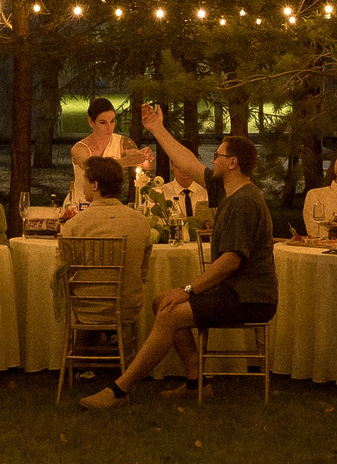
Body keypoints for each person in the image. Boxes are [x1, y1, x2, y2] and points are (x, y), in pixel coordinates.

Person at [80, 134, 275, 409]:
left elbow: (231, 261)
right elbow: (188, 162)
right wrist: (157, 128)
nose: (212, 161)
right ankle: (197, 383)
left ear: (232, 163)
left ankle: (120, 389)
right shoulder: (226, 191)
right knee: (161, 301)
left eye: (217, 156)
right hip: (234, 292)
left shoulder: (244, 201)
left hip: (250, 298)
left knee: (169, 314)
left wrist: (188, 291)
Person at [61, 154, 153, 343]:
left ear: (95, 185)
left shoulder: (75, 225)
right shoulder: (141, 222)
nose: (83, 186)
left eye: (85, 181)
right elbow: (143, 274)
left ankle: (84, 353)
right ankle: (116, 346)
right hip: (127, 307)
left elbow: (59, 275)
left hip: (87, 308)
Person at [134, 102, 214, 218]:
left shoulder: (208, 192)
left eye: (187, 167)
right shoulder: (160, 194)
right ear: (171, 164)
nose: (185, 172)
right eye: (179, 167)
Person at [65, 97, 144, 209]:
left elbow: (141, 163)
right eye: (103, 123)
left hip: (109, 206)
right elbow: (92, 169)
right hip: (80, 205)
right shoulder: (80, 149)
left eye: (112, 121)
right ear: (91, 122)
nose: (109, 127)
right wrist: (123, 162)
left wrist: (145, 157)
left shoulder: (123, 143)